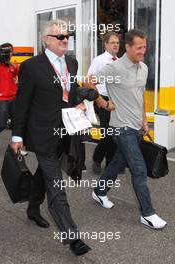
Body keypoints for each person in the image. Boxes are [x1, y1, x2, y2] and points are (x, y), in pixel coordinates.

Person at [10, 19, 95, 256]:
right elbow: (22, 104)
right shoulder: (31, 66)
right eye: (60, 37)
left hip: (65, 132)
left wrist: (80, 100)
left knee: (44, 176)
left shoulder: (72, 62)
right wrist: (17, 135)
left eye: (67, 36)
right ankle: (73, 237)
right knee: (56, 185)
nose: (65, 40)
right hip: (43, 134)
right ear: (46, 40)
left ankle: (33, 208)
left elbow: (68, 93)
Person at [89, 29, 167, 230]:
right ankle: (147, 214)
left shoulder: (144, 68)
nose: (143, 50)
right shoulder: (114, 68)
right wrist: (103, 103)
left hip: (136, 127)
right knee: (139, 168)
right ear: (128, 47)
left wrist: (144, 121)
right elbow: (89, 82)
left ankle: (99, 191)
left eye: (145, 47)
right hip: (120, 128)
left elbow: (140, 96)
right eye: (139, 47)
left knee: (117, 162)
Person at [88, 32, 120, 174]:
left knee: (115, 133)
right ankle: (97, 159)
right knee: (108, 133)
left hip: (116, 100)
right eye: (112, 42)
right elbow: (88, 82)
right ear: (106, 44)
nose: (116, 45)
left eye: (117, 43)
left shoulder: (119, 61)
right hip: (103, 100)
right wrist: (99, 100)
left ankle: (111, 165)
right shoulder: (99, 60)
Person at [0, 43, 18, 133]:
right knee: (2, 124)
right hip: (1, 99)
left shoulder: (13, 66)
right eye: (10, 52)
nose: (11, 54)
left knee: (16, 124)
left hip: (13, 98)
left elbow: (20, 75)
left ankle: (13, 146)